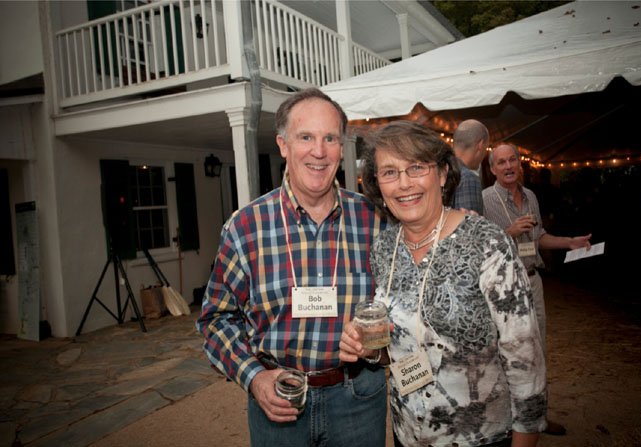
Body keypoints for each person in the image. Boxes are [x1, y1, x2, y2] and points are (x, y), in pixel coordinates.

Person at [196, 88, 387, 447]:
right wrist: (253, 377)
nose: (319, 151)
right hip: (278, 401)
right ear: (283, 145)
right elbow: (215, 320)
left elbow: (401, 306)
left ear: (341, 145)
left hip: (358, 398)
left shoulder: (374, 220)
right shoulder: (245, 227)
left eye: (330, 138)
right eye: (306, 137)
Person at [340, 121, 547, 447]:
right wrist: (371, 351)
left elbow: (526, 359)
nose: (404, 184)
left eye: (416, 167)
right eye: (390, 172)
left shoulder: (486, 243)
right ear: (377, 184)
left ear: (441, 173)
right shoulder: (384, 249)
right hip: (407, 434)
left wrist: (526, 437)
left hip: (480, 437)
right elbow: (396, 350)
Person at [482, 143, 592, 436]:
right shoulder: (486, 200)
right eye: (501, 162)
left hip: (533, 280)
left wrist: (569, 242)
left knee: (538, 349)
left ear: (520, 163)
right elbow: (481, 247)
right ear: (492, 168)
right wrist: (510, 232)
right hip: (505, 287)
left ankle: (537, 418)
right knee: (508, 351)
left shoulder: (530, 195)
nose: (508, 166)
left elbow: (539, 236)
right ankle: (506, 422)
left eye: (512, 160)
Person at [451, 119, 489, 214]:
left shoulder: (438, 168)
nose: (484, 154)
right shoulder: (468, 178)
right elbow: (470, 227)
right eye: (486, 148)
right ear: (480, 145)